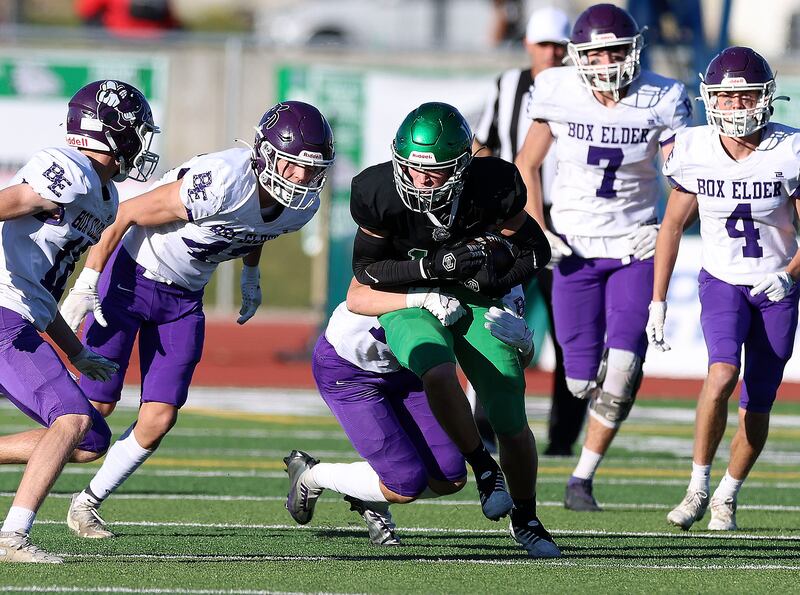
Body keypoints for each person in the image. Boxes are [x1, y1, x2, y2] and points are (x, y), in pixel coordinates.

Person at [60, 100, 335, 539]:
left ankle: (87, 503)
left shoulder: (301, 206)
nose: (301, 177)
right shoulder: (221, 180)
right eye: (291, 164)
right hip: (130, 279)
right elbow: (127, 213)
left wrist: (250, 272)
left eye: (311, 167)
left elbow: (255, 229)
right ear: (264, 154)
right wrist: (87, 280)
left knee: (160, 417)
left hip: (184, 297)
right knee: (94, 416)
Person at [337, 101, 559, 558]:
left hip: (474, 297)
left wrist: (495, 281)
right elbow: (367, 269)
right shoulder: (378, 190)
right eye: (412, 170)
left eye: (434, 172)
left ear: (461, 165)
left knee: (509, 412)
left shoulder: (493, 184)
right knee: (435, 369)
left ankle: (528, 517)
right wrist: (430, 267)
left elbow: (535, 250)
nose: (420, 181)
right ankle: (483, 467)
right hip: (412, 297)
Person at [515, 3, 691, 512]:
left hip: (633, 246)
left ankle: (581, 478)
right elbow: (527, 163)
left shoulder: (662, 97)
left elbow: (686, 178)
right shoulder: (558, 91)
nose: (608, 62)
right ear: (578, 57)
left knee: (624, 366)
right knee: (577, 378)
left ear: (634, 49)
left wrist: (662, 228)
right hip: (574, 249)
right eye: (597, 52)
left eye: (617, 49)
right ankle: (583, 434)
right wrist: (539, 229)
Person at [0, 80, 159, 563]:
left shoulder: (105, 196)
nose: (140, 142)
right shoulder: (67, 172)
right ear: (109, 131)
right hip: (2, 315)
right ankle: (12, 537)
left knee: (90, 438)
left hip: (23, 317)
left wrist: (76, 352)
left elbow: (43, 295)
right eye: (134, 131)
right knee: (69, 418)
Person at [647, 47, 800, 531]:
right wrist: (658, 301)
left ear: (765, 98)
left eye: (745, 96)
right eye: (726, 97)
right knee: (720, 373)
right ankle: (697, 487)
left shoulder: (790, 150)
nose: (735, 107)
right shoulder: (692, 149)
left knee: (758, 401)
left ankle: (727, 496)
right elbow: (670, 227)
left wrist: (789, 274)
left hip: (776, 286)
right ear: (711, 99)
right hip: (722, 281)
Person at [284, 284, 533, 546]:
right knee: (404, 485)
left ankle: (368, 494)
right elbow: (358, 296)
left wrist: (526, 346)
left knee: (451, 477)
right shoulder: (416, 255)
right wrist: (419, 298)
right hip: (350, 370)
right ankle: (312, 475)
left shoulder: (501, 281)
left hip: (408, 370)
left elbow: (507, 359)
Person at [474, 6, 583, 456]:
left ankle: (562, 439)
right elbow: (482, 144)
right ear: (528, 45)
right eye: (545, 44)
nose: (553, 52)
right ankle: (483, 424)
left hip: (572, 219)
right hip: (513, 214)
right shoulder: (508, 84)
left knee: (571, 331)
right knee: (493, 316)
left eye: (560, 45)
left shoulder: (584, 89)